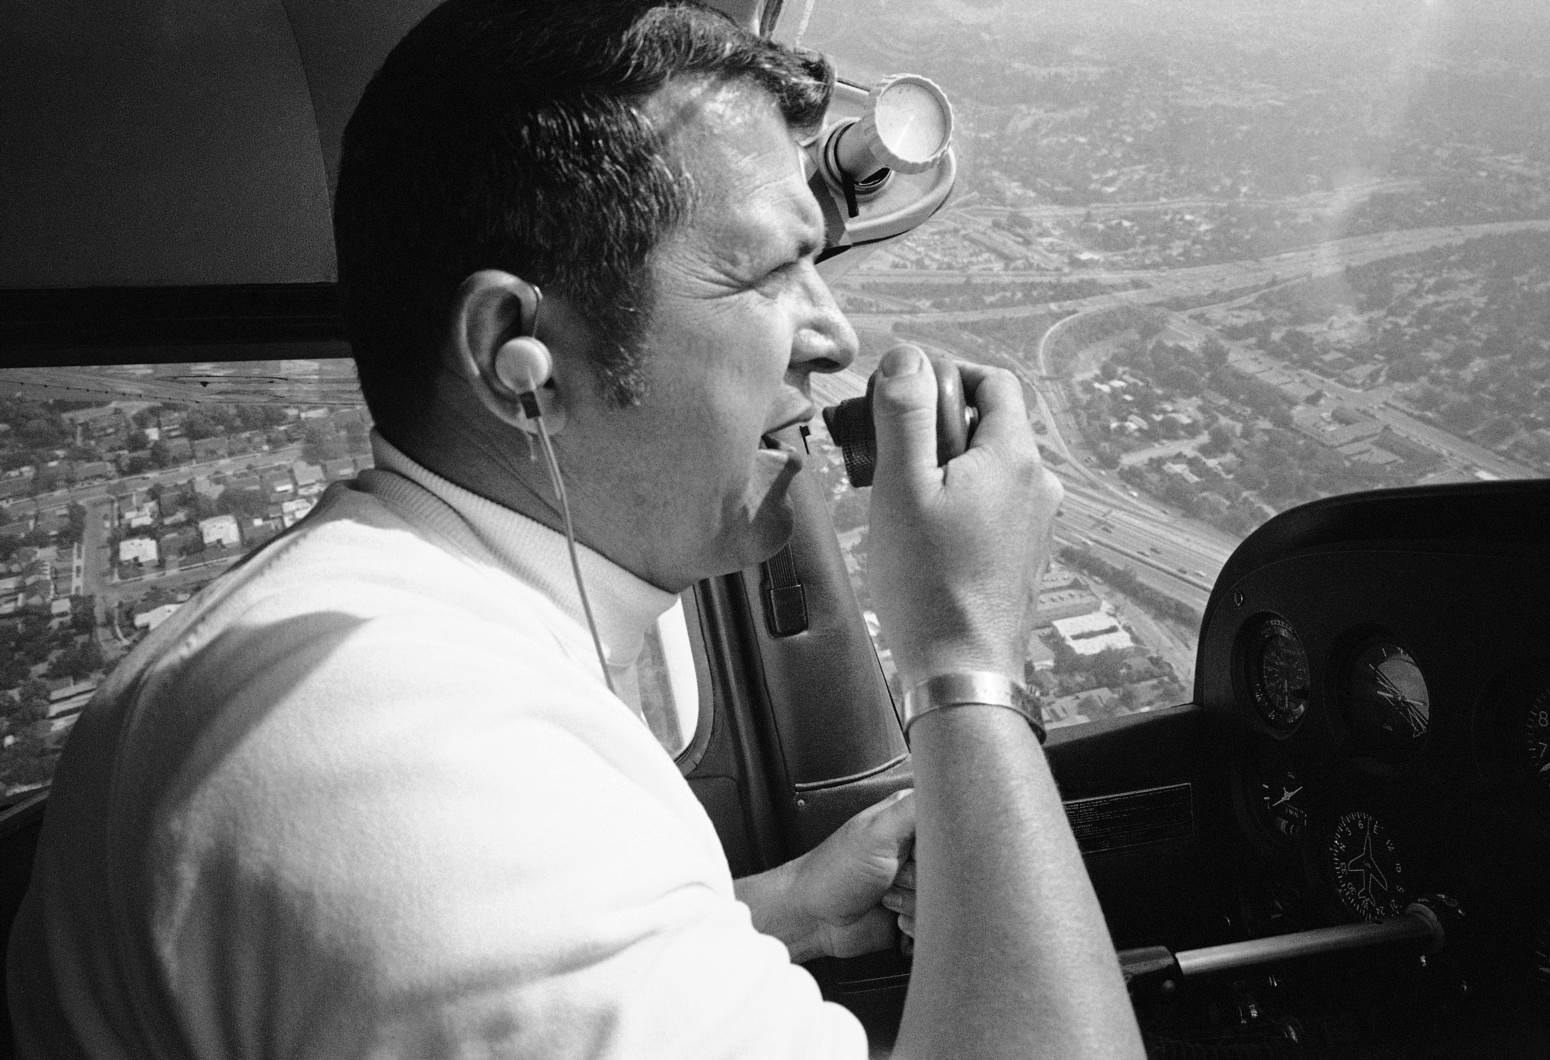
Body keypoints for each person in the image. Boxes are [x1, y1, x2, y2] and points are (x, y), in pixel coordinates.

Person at [7, 1, 1144, 1056]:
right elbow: (451, 890)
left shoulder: (376, 647)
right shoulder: (405, 760)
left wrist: (780, 911)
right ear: (522, 359)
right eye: (769, 272)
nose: (835, 337)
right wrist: (965, 658)